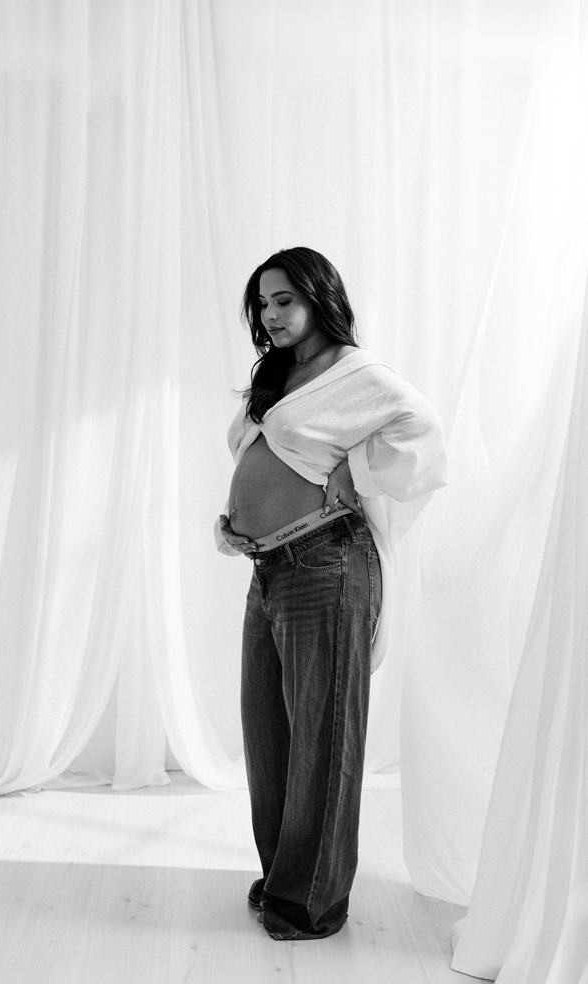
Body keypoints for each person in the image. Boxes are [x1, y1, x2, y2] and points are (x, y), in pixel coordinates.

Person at [215, 246, 447, 941]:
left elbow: (425, 432)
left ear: (319, 296)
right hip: (270, 568)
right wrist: (237, 521)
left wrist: (359, 469)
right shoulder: (280, 375)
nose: (270, 314)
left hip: (326, 564)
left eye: (284, 299)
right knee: (268, 733)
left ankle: (311, 902)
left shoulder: (356, 373)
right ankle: (285, 878)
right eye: (262, 303)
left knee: (322, 733)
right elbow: (269, 457)